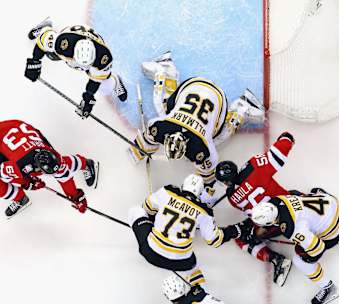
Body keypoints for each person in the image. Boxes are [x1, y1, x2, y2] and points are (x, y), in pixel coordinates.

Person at [128, 51, 265, 187]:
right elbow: (206, 180)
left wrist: (136, 155)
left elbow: (206, 181)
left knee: (220, 137)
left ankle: (240, 108)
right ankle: (165, 72)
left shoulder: (194, 144)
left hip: (216, 97)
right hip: (195, 86)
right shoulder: (161, 127)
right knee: (162, 107)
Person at [127, 174, 252, 287]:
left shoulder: (168, 191)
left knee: (136, 210)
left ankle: (151, 224)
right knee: (194, 268)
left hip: (151, 253)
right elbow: (214, 240)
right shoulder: (204, 211)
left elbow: (148, 206)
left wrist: (157, 219)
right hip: (182, 262)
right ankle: (202, 295)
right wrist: (234, 230)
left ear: (183, 185)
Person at [214, 132, 297, 287]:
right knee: (292, 195)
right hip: (291, 207)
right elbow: (281, 150)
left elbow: (254, 216)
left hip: (272, 222)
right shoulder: (253, 166)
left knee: (242, 238)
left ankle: (277, 260)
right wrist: (286, 138)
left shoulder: (232, 197)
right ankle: (317, 202)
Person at [250, 190, 339, 304]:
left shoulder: (293, 229)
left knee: (299, 260)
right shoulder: (278, 200)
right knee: (305, 199)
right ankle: (332, 231)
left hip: (333, 228)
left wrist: (306, 256)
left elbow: (318, 248)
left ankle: (328, 287)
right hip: (332, 203)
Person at [0, 119, 98, 218]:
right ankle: (21, 199)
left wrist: (77, 197)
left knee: (62, 166)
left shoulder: (55, 156)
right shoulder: (18, 166)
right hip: (2, 137)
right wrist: (27, 183)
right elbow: (3, 174)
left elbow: (65, 177)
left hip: (26, 133)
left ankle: (86, 163)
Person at [24, 19, 127, 118]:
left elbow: (94, 82)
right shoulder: (62, 43)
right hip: (72, 36)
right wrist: (35, 61)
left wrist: (88, 98)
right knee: (52, 55)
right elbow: (43, 41)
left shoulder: (103, 59)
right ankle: (45, 27)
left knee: (105, 85)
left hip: (92, 47)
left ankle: (115, 81)